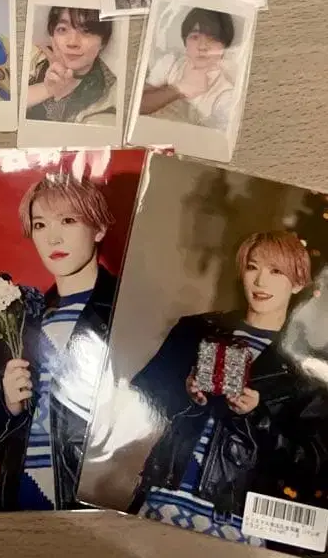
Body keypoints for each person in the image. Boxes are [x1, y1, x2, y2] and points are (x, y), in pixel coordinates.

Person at [127, 231, 326, 547]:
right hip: (164, 498)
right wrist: (185, 393)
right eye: (252, 267)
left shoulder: (306, 368)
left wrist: (258, 416)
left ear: (298, 282)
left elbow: (312, 462)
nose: (260, 281)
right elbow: (137, 402)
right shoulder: (196, 330)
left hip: (236, 520)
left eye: (276, 271)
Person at [0, 176, 117, 511]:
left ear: (99, 228)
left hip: (91, 515)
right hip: (14, 510)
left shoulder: (127, 311)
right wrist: (6, 405)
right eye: (40, 225)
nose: (52, 237)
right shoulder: (20, 319)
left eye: (68, 220)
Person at [140, 7, 236, 129]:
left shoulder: (226, 95)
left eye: (212, 39)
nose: (202, 46)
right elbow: (136, 106)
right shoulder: (171, 62)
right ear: (185, 42)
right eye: (195, 37)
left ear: (224, 46)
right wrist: (179, 88)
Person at [25, 7, 116, 125]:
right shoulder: (35, 56)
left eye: (86, 31)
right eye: (62, 29)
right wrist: (47, 89)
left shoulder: (108, 94)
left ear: (103, 42)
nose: (72, 42)